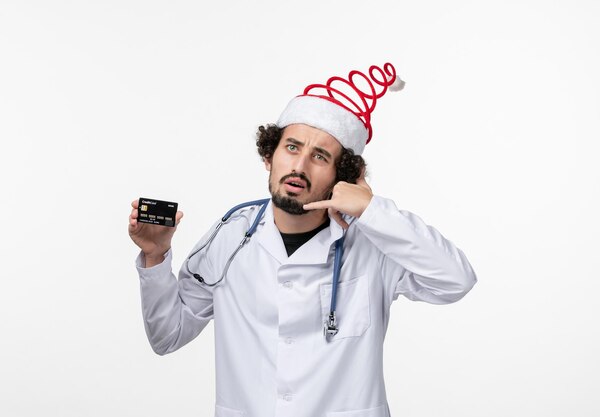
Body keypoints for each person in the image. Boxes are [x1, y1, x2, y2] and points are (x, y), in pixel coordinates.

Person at [128, 63, 477, 417]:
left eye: (320, 156)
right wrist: (156, 256)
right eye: (292, 147)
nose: (300, 166)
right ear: (269, 156)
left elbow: (456, 280)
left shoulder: (374, 242)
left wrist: (372, 209)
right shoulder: (232, 237)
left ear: (342, 176)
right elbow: (167, 336)